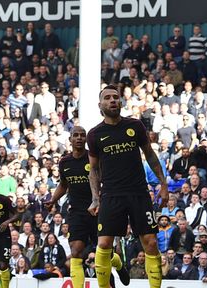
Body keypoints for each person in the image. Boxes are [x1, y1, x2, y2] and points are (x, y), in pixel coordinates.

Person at [87, 85, 168, 288]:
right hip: (111, 195)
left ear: (121, 102)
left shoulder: (135, 125)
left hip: (139, 193)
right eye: (108, 98)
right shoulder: (95, 134)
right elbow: (94, 170)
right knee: (104, 244)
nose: (113, 100)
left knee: (150, 242)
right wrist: (95, 198)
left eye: (116, 97)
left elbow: (149, 154)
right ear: (100, 105)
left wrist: (163, 183)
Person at [47, 126, 130, 287]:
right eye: (75, 135)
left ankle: (118, 263)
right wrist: (53, 199)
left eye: (82, 135)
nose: (79, 138)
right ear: (70, 139)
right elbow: (64, 185)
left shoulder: (94, 158)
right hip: (77, 212)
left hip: (99, 210)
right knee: (76, 252)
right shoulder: (65, 162)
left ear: (86, 139)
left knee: (103, 252)